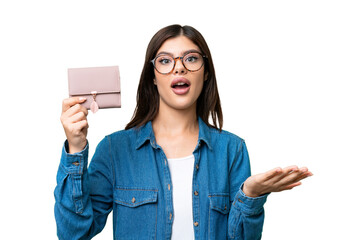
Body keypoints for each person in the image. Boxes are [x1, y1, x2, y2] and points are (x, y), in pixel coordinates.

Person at [54, 24, 312, 240]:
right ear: (153, 77)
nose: (179, 68)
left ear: (206, 72)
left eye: (191, 58)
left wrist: (251, 195)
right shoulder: (114, 150)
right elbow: (73, 233)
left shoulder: (232, 150)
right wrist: (75, 148)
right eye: (165, 61)